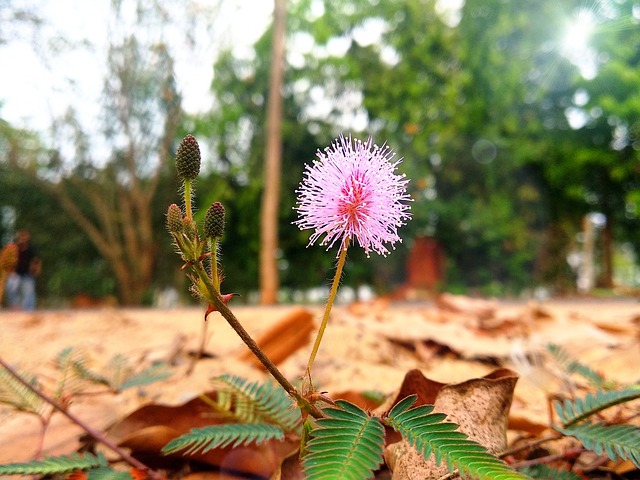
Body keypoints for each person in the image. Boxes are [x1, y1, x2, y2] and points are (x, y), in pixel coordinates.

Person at [5, 230, 41, 310]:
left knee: (29, 291)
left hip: (27, 273)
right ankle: (14, 307)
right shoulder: (13, 248)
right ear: (18, 237)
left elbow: (37, 260)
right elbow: (7, 260)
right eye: (21, 237)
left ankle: (28, 310)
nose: (23, 239)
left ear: (28, 238)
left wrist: (37, 269)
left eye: (25, 237)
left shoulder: (31, 248)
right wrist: (10, 271)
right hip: (14, 272)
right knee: (11, 289)